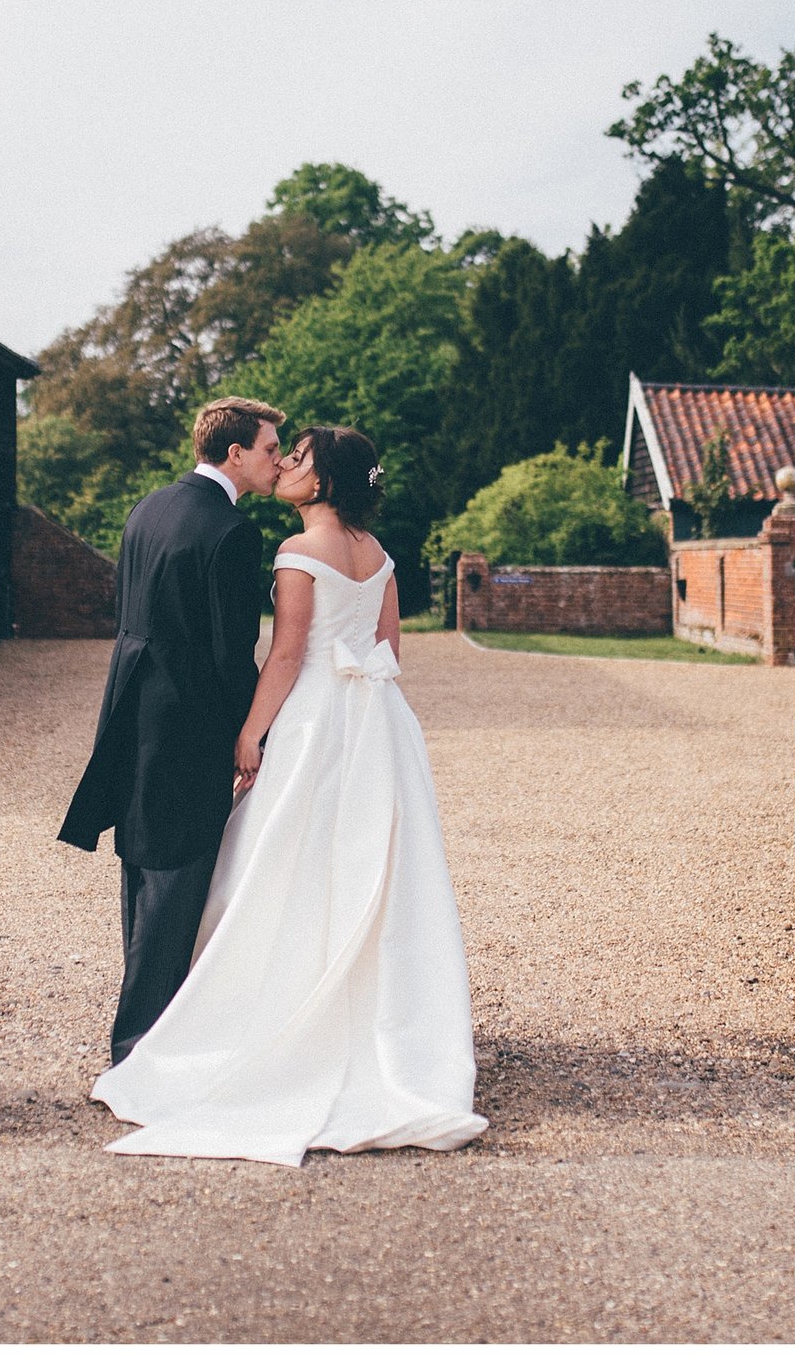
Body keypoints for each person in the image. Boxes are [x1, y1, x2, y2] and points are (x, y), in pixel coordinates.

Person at [90, 425, 488, 1166]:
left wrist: (251, 734)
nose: (288, 467)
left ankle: (260, 1016)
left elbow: (287, 652)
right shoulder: (382, 556)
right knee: (369, 868)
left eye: (300, 460)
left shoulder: (298, 553)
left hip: (313, 722)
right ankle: (372, 1015)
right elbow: (389, 651)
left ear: (326, 481)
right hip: (378, 724)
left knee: (281, 866)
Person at [60, 396, 287, 1066]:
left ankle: (147, 1039)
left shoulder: (149, 507)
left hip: (131, 716)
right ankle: (137, 1052)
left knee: (142, 873)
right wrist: (253, 733)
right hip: (187, 728)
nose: (279, 461)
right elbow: (227, 655)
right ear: (236, 453)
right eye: (272, 449)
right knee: (175, 883)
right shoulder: (231, 530)